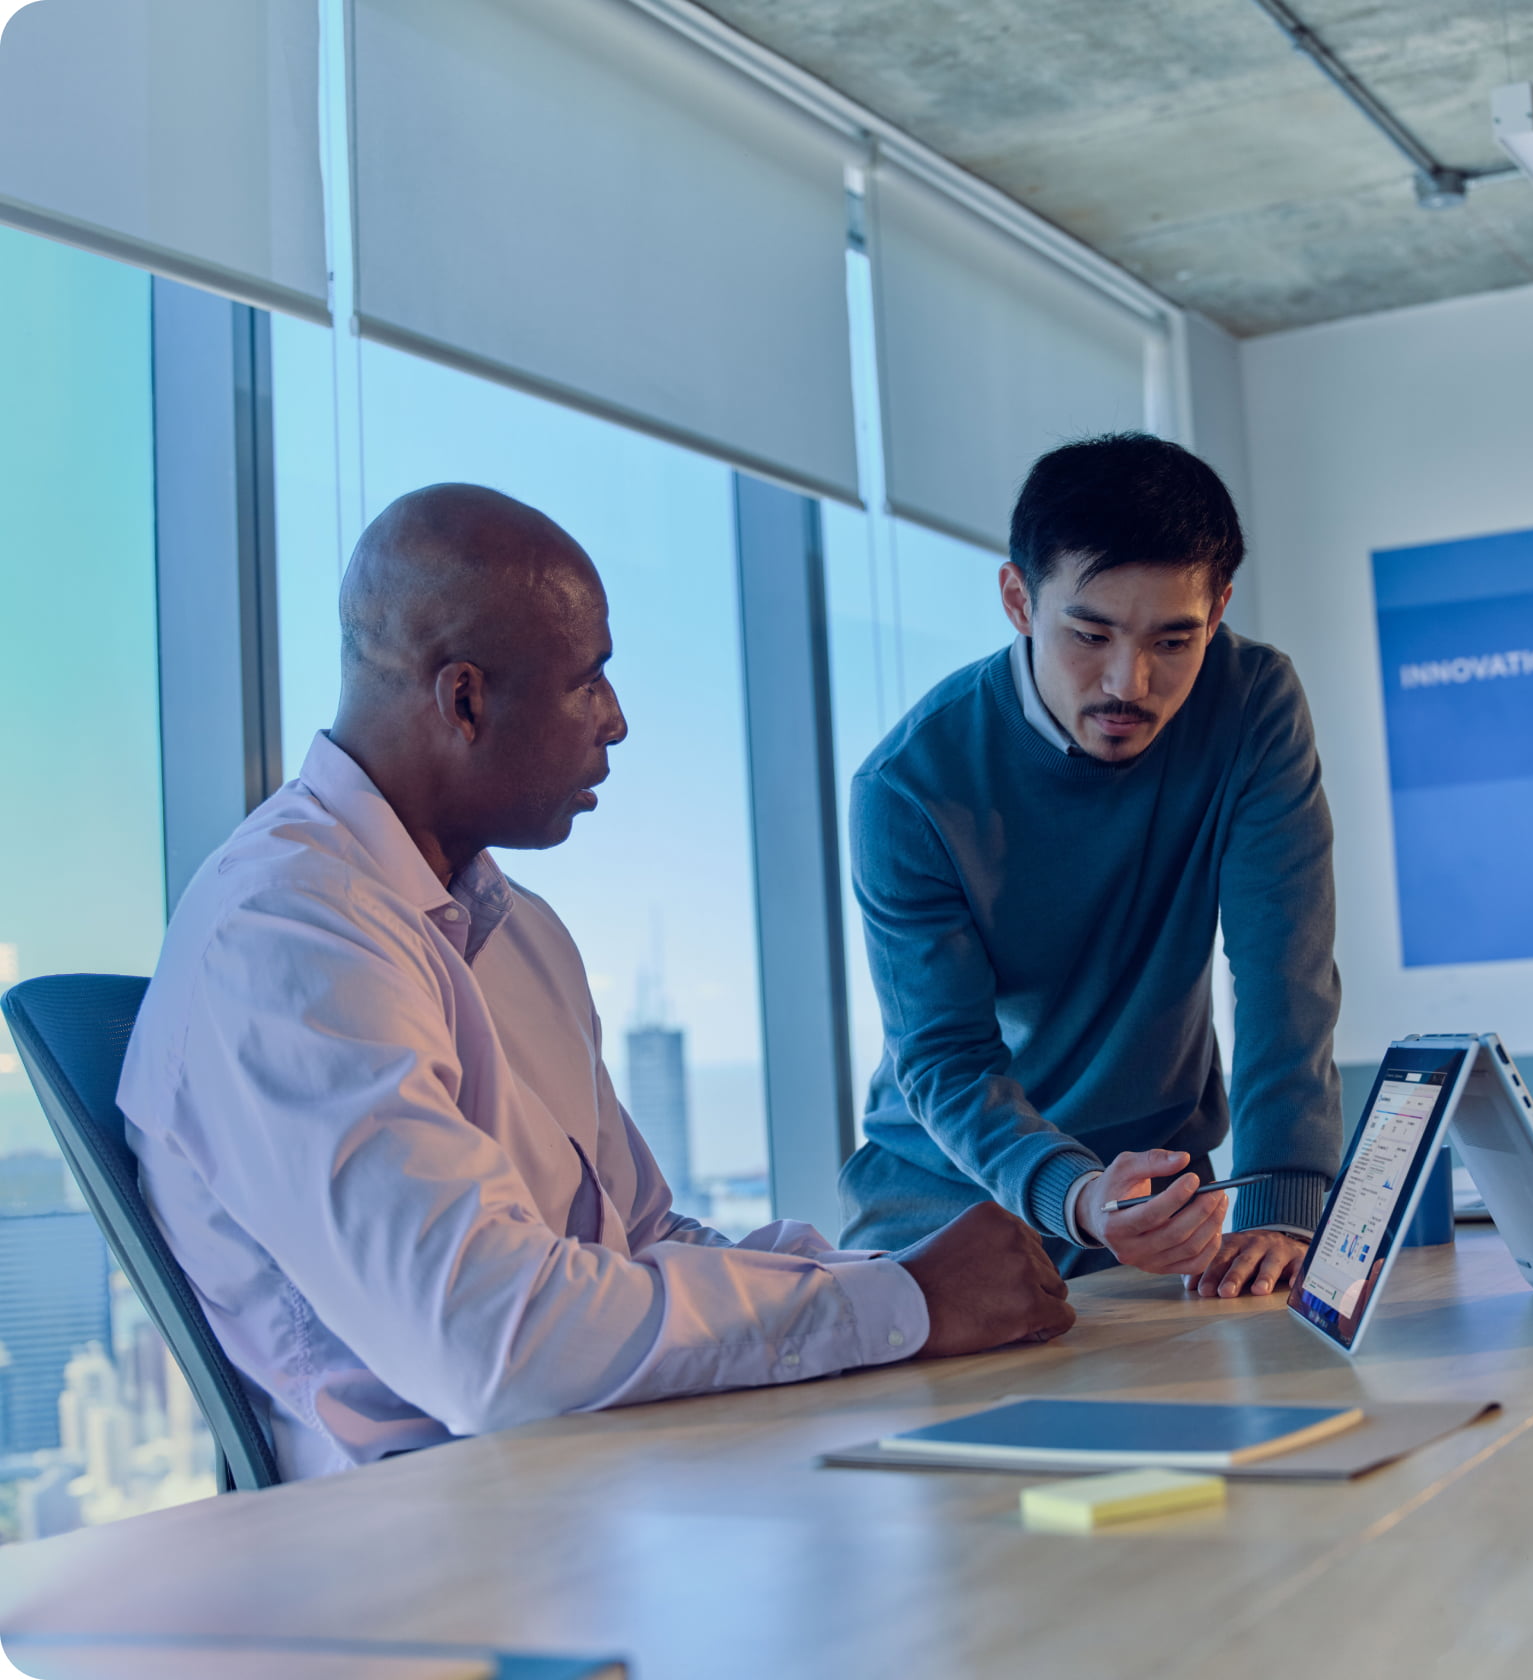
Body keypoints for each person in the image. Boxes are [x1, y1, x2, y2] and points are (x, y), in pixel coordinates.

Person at [119, 483, 1072, 1481]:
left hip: (581, 1483)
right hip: (417, 1544)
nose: (615, 724)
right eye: (589, 681)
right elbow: (497, 1345)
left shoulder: (518, 931)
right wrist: (903, 1306)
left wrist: (883, 1278)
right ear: (466, 699)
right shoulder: (284, 932)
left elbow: (642, 1237)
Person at [840, 434, 1342, 1297]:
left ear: (1218, 610)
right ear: (1017, 599)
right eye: (1090, 632)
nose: (1127, 683)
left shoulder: (1251, 702)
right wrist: (1073, 1195)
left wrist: (1279, 1198)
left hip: (1164, 1204)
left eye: (1173, 642)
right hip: (947, 1215)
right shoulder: (908, 788)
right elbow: (944, 1060)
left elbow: (1281, 966)